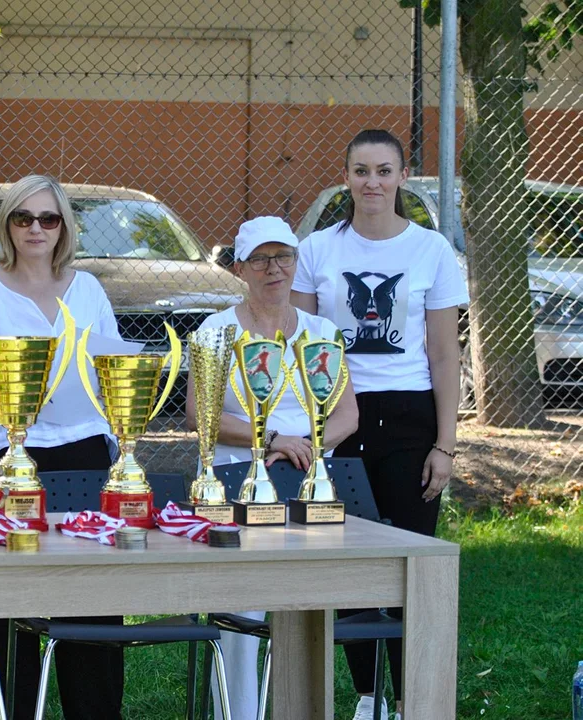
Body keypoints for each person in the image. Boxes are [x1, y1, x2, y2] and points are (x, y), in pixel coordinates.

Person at [0, 175, 124, 719]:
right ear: (7, 225)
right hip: (6, 461)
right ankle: (18, 710)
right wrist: (19, 390)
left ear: (64, 227)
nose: (36, 228)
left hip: (84, 453)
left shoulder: (88, 290)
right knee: (15, 607)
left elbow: (112, 373)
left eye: (49, 218)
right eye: (23, 218)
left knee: (92, 606)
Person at [291, 129, 469, 720]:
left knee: (407, 561)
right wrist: (309, 426)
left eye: (384, 171)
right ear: (346, 176)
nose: (372, 182)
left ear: (402, 178)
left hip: (408, 416)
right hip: (337, 414)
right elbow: (300, 345)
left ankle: (406, 696)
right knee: (342, 557)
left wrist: (445, 444)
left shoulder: (430, 250)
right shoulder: (317, 250)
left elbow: (445, 355)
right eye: (361, 171)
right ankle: (366, 696)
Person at [186, 216, 358, 720]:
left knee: (305, 616)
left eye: (283, 256)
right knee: (240, 620)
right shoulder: (215, 330)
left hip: (308, 488)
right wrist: (271, 439)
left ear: (296, 261)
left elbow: (348, 413)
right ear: (240, 267)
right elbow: (200, 417)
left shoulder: (322, 332)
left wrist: (307, 444)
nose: (273, 268)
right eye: (260, 259)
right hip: (236, 485)